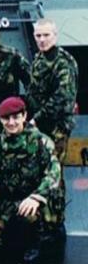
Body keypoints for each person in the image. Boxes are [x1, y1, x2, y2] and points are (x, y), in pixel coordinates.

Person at [0, 97, 64, 262]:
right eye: (6, 118)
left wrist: (36, 197)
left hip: (36, 200)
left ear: (24, 116)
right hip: (10, 201)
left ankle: (43, 238)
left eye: (16, 117)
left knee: (27, 215)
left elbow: (53, 174)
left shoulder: (41, 141)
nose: (11, 122)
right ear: (0, 119)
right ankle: (12, 238)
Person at [26, 18, 79, 162]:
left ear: (55, 36)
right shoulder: (39, 58)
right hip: (40, 124)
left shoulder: (63, 63)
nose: (42, 40)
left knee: (53, 169)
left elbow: (62, 97)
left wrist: (36, 119)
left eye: (46, 35)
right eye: (38, 36)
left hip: (56, 127)